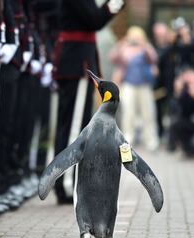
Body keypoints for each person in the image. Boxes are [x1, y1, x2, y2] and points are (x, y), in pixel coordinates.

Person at [52, 0, 124, 204]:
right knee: (73, 127)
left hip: (77, 59)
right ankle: (65, 183)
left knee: (74, 125)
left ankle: (65, 181)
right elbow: (94, 20)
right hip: (77, 61)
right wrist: (113, 5)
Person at [110, 26, 160, 151]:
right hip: (128, 84)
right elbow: (112, 57)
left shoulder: (145, 48)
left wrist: (144, 45)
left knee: (148, 113)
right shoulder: (125, 48)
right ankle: (128, 138)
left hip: (144, 85)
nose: (135, 39)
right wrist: (122, 43)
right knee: (128, 113)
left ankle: (150, 139)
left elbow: (154, 58)